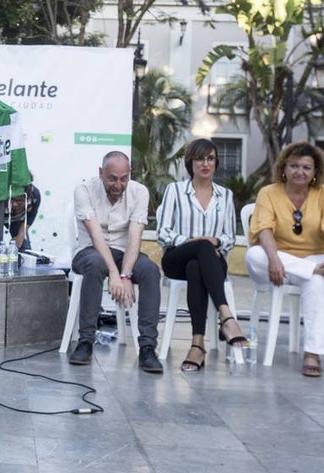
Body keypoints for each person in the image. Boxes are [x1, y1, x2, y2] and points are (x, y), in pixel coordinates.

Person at [246, 141, 324, 378]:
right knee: (254, 255)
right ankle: (319, 270)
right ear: (283, 168)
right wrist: (274, 260)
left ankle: (312, 354)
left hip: (316, 255)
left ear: (315, 172)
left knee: (317, 284)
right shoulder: (269, 192)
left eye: (306, 167)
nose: (299, 172)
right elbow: (263, 230)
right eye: (294, 166)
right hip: (278, 259)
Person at [155, 138, 244, 372]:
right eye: (199, 159)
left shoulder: (225, 195)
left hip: (212, 264)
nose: (205, 164)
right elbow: (163, 233)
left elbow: (230, 238)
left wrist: (215, 241)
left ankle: (197, 345)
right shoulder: (174, 190)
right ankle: (227, 316)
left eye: (210, 158)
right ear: (190, 163)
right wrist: (192, 242)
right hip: (176, 258)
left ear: (216, 162)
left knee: (197, 265)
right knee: (202, 247)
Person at [70, 151, 163, 374]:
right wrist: (115, 272)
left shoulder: (139, 192)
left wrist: (126, 274)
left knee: (150, 270)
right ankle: (85, 341)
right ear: (101, 173)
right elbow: (95, 235)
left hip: (125, 253)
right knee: (95, 264)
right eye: (112, 178)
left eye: (124, 178)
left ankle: (148, 347)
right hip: (90, 250)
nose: (118, 185)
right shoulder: (84, 189)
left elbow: (135, 237)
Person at [7, 178, 41, 250]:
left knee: (24, 248)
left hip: (17, 219)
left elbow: (31, 216)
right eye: (12, 199)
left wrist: (20, 236)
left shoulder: (35, 195)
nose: (14, 204)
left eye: (19, 201)